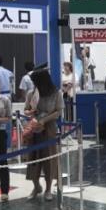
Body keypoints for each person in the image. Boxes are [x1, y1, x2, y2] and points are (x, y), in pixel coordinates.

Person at [25, 69, 63, 201]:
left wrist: (44, 120)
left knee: (49, 159)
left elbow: (58, 111)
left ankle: (48, 188)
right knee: (33, 157)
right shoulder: (31, 93)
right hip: (34, 128)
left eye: (36, 81)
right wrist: (29, 113)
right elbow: (26, 109)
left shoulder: (56, 93)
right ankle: (36, 186)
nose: (34, 84)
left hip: (49, 128)